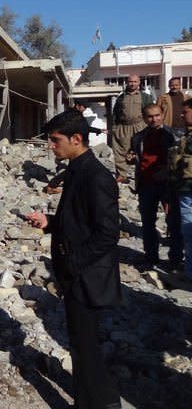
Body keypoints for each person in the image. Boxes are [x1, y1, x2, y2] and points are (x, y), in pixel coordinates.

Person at [27, 109, 122, 409]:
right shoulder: (76, 170)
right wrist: (51, 222)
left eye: (55, 141)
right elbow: (79, 221)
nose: (51, 146)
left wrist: (74, 263)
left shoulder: (96, 177)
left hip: (87, 276)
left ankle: (106, 402)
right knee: (80, 346)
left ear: (76, 139)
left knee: (86, 348)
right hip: (76, 273)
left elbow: (108, 233)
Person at [127, 104, 181, 269]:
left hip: (168, 185)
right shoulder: (138, 137)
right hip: (146, 185)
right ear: (144, 118)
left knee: (173, 223)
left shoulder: (175, 135)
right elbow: (135, 156)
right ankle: (151, 257)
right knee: (148, 223)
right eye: (150, 116)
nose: (154, 119)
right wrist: (131, 158)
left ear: (162, 115)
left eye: (157, 115)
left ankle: (175, 259)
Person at [168, 98, 192, 288]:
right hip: (184, 189)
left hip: (189, 191)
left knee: (189, 233)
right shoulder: (186, 135)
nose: (182, 115)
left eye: (186, 112)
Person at [111, 74, 153, 182]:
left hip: (140, 126)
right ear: (127, 83)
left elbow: (150, 111)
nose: (132, 84)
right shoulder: (121, 97)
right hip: (124, 127)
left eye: (135, 82)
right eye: (130, 81)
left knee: (142, 151)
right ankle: (121, 175)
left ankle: (144, 174)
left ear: (139, 83)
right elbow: (115, 113)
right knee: (120, 151)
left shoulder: (145, 97)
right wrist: (115, 127)